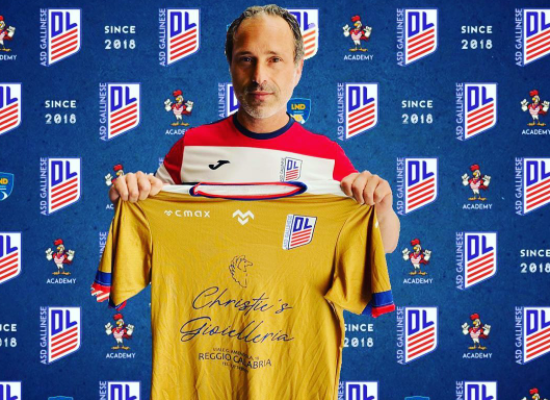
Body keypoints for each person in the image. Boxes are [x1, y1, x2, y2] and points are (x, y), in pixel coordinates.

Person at [108, 4, 400, 253]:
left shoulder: (327, 156)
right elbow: (146, 237)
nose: (259, 76)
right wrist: (132, 194)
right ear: (230, 66)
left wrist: (382, 208)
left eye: (275, 60)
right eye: (246, 59)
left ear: (298, 69)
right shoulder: (192, 145)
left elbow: (384, 245)